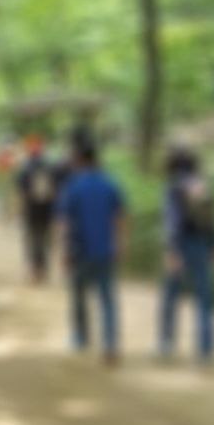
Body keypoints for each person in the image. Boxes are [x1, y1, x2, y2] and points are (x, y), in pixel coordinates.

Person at [55, 139, 129, 365]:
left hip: (80, 250)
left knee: (79, 295)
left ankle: (81, 337)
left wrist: (64, 249)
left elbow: (64, 222)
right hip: (105, 250)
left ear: (79, 160)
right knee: (107, 299)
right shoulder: (111, 184)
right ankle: (110, 344)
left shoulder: (73, 186)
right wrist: (120, 244)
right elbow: (120, 217)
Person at [159, 145, 214, 363]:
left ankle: (167, 343)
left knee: (171, 295)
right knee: (204, 298)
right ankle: (206, 349)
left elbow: (172, 221)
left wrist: (171, 249)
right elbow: (213, 219)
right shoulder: (202, 184)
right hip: (202, 245)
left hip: (181, 244)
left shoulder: (173, 187)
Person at [15, 135, 60, 284]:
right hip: (46, 209)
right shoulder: (50, 166)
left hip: (31, 209)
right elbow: (55, 190)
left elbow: (21, 191)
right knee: (43, 239)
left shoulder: (25, 168)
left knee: (32, 239)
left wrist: (19, 209)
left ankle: (35, 270)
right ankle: (42, 269)